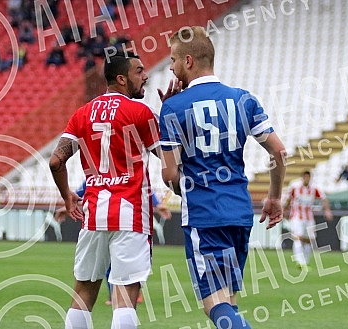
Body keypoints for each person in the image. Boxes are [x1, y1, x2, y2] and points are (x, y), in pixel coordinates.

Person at [158, 26, 286, 329]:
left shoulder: (173, 107)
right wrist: (275, 196)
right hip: (240, 214)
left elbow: (169, 173)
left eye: (173, 60)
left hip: (204, 216)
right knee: (228, 299)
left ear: (188, 61)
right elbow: (279, 153)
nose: (172, 67)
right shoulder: (244, 100)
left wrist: (180, 186)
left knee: (213, 303)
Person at [49, 52, 160, 329]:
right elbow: (170, 158)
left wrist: (67, 196)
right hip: (130, 214)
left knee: (83, 293)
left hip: (94, 213)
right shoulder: (140, 113)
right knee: (125, 296)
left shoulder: (82, 113)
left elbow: (55, 161)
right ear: (122, 79)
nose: (145, 75)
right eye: (139, 71)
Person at [283, 170, 333, 270]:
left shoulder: (314, 189)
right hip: (297, 217)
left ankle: (305, 262)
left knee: (309, 240)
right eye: (305, 177)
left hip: (309, 217)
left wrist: (327, 210)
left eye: (308, 177)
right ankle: (299, 261)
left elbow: (324, 199)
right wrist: (284, 211)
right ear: (302, 177)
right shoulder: (295, 188)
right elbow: (288, 200)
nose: (307, 179)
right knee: (298, 237)